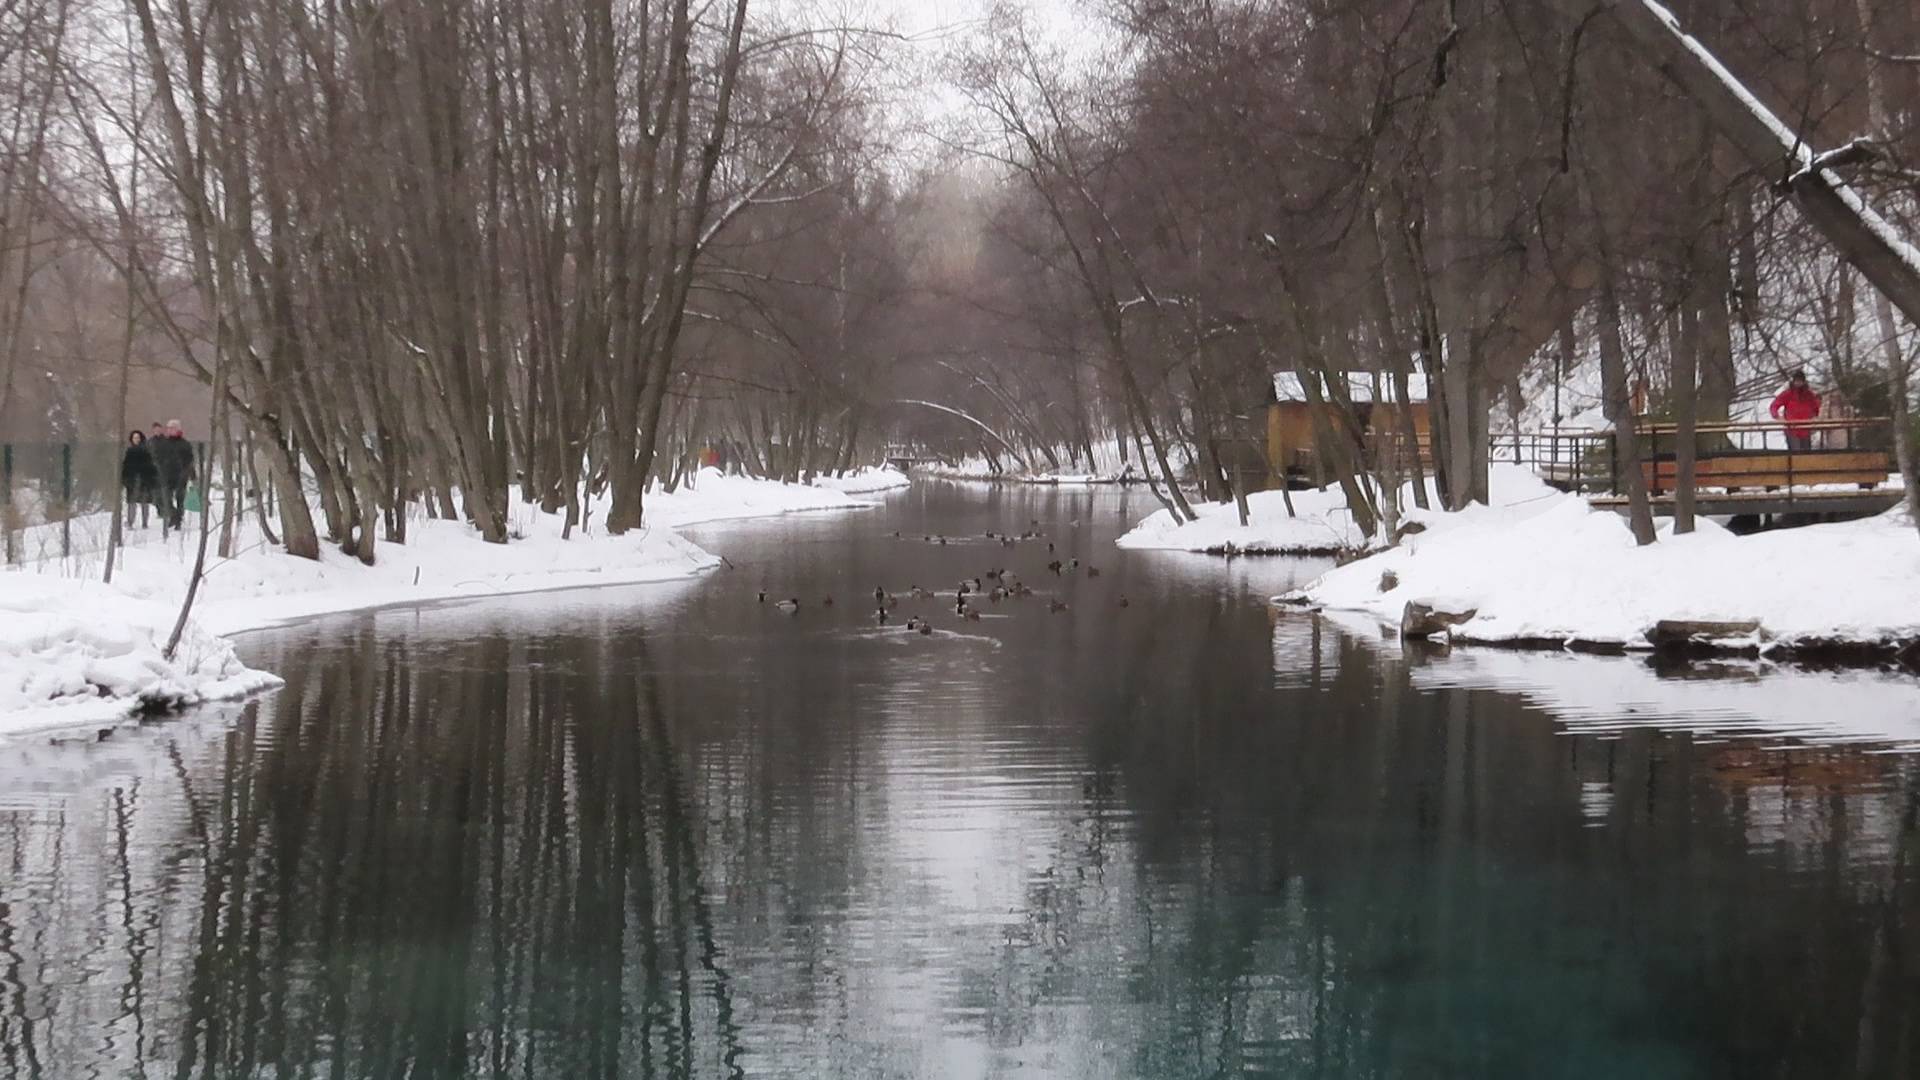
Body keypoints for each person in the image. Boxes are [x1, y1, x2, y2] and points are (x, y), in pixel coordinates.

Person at [151, 419, 196, 529]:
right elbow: (157, 457)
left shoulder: (185, 444)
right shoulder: (164, 443)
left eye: (172, 428)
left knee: (180, 498)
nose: (170, 430)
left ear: (178, 429)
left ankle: (178, 520)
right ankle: (174, 515)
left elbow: (189, 460)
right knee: (165, 498)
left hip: (181, 475)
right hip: (167, 475)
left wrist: (191, 474)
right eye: (168, 428)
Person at [1770, 369, 1821, 451]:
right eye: (1796, 380)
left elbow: (1816, 407)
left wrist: (1815, 416)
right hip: (1791, 430)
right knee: (1795, 454)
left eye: (1800, 380)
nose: (1798, 383)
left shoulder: (1809, 394)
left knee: (1806, 455)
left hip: (1805, 430)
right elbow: (1774, 406)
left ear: (1804, 381)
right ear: (1793, 381)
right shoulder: (1788, 394)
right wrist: (1777, 417)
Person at [120, 430, 158, 528]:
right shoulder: (129, 451)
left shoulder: (146, 451)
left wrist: (152, 480)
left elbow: (151, 466)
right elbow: (125, 467)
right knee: (132, 503)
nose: (136, 440)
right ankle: (130, 522)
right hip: (132, 481)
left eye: (138, 438)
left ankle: (144, 523)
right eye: (134, 438)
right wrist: (125, 479)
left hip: (144, 480)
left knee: (144, 503)